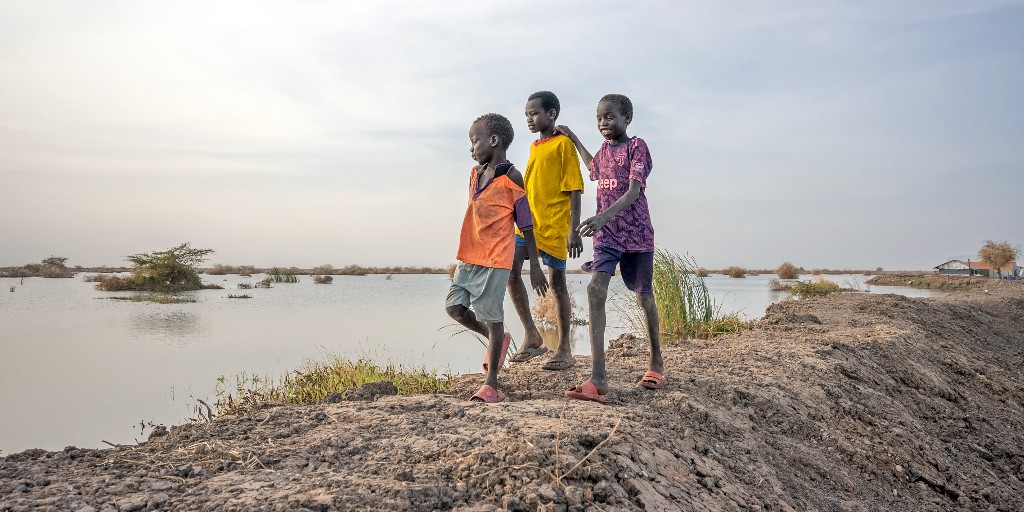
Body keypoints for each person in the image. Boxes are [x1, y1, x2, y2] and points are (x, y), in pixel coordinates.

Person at [556, 94, 663, 403]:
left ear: (627, 118)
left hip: (636, 233)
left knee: (645, 296)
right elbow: (594, 168)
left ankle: (656, 360)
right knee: (595, 290)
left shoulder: (636, 147)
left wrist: (602, 216)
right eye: (599, 118)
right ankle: (598, 376)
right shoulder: (603, 152)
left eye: (610, 117)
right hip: (607, 236)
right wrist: (574, 138)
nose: (603, 123)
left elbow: (632, 191)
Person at [445, 113, 549, 403]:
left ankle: (492, 384)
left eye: (474, 141)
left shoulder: (511, 177)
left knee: (493, 316)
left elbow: (526, 224)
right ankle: (498, 340)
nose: (471, 148)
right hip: (469, 254)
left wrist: (536, 266)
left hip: (496, 258)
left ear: (493, 141)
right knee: (454, 308)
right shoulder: (474, 174)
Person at [507, 91, 585, 371]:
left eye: (534, 113)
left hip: (555, 226)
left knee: (557, 283)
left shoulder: (563, 145)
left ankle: (565, 348)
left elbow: (575, 188)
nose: (529, 118)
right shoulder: (534, 147)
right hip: (529, 226)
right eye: (526, 114)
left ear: (551, 114)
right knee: (510, 269)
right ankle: (532, 335)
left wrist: (573, 230)